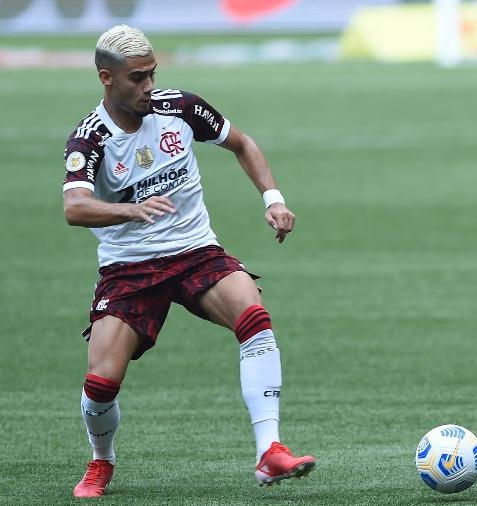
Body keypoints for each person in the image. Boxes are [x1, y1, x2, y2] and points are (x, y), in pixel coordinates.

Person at [63, 25, 316, 498]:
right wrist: (128, 209)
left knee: (254, 316)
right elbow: (74, 207)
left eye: (152, 74)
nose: (148, 87)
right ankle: (101, 461)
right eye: (137, 78)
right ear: (106, 78)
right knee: (100, 384)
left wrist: (273, 199)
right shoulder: (89, 138)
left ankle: (270, 451)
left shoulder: (179, 107)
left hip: (195, 252)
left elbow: (241, 142)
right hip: (130, 268)